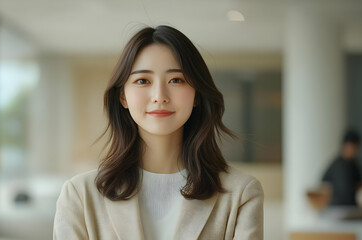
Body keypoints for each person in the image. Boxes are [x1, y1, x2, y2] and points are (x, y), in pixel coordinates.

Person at [53, 25, 263, 240]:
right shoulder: (80, 195)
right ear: (123, 97)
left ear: (197, 95)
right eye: (142, 81)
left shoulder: (240, 193)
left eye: (176, 80)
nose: (159, 96)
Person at [322, 129, 362, 206]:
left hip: (351, 208)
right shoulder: (336, 165)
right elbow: (323, 184)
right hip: (335, 208)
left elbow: (360, 184)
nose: (352, 151)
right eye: (351, 147)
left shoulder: (355, 165)